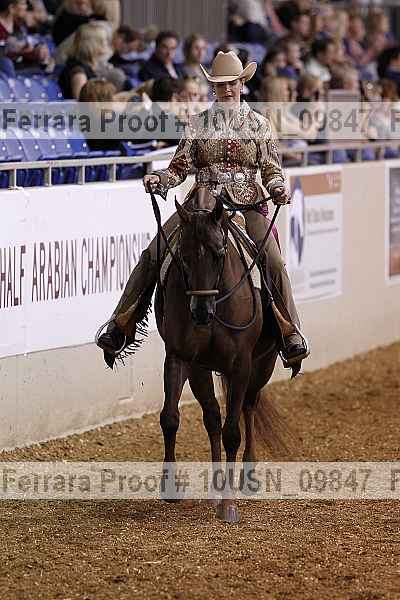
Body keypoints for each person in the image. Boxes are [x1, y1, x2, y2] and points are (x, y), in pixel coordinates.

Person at [96, 51, 310, 368]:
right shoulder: (197, 124)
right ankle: (120, 325)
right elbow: (178, 168)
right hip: (202, 204)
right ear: (213, 87)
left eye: (232, 83)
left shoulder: (260, 125)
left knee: (274, 262)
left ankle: (289, 331)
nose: (227, 89)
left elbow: (271, 169)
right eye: (221, 84)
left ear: (242, 84)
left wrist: (278, 187)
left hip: (247, 202)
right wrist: (160, 179)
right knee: (153, 254)